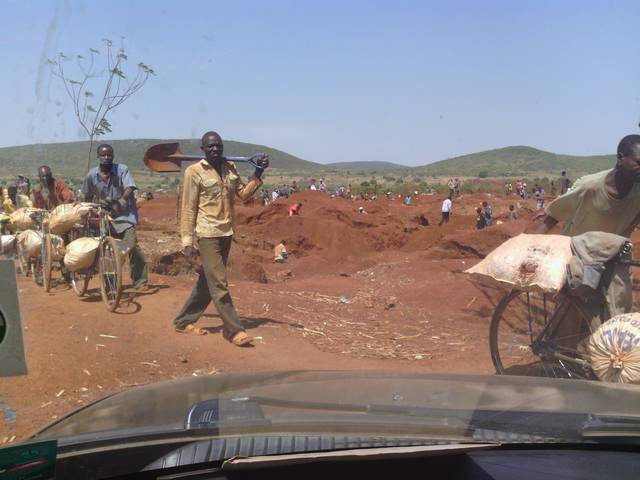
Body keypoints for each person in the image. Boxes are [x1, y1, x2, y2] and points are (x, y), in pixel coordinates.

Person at [173, 131, 268, 345]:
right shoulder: (193, 172)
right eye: (211, 146)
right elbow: (188, 208)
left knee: (208, 281)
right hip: (207, 234)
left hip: (226, 232)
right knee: (219, 282)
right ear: (203, 149)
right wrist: (187, 240)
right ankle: (233, 330)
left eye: (219, 146)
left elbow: (244, 195)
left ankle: (183, 321)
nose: (216, 149)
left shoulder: (230, 168)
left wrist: (258, 172)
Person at [537, 135, 640, 238]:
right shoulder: (588, 186)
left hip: (614, 252)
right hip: (576, 251)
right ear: (620, 158)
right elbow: (553, 216)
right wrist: (530, 244)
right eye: (638, 162)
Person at [81, 143, 152, 292]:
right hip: (105, 218)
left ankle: (140, 281)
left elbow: (129, 188)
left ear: (113, 156)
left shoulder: (122, 170)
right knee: (107, 251)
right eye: (103, 155)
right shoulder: (92, 175)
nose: (106, 158)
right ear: (98, 157)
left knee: (132, 247)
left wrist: (122, 201)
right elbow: (87, 195)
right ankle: (110, 283)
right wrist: (88, 209)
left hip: (125, 216)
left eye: (109, 155)